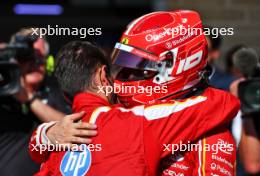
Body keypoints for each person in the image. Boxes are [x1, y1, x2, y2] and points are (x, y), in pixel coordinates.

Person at [29, 11, 240, 175]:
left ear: (178, 65)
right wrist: (46, 134)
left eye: (139, 66)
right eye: (124, 64)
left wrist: (42, 136)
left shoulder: (210, 132)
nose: (124, 77)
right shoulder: (119, 114)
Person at [0, 28, 70, 175]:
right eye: (26, 57)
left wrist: (29, 99)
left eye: (39, 58)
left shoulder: (59, 95)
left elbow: (72, 128)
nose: (34, 63)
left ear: (48, 62)